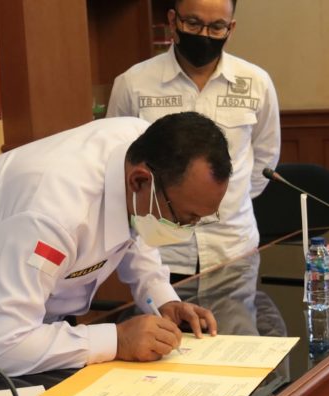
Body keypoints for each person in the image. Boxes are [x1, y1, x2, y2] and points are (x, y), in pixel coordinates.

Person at [0, 112, 230, 390]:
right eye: (184, 218)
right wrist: (118, 338)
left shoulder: (144, 147)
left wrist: (161, 298)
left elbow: (135, 226)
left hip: (27, 306)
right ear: (139, 181)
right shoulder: (52, 210)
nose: (187, 229)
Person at [106, 0, 280, 281]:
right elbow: (117, 159)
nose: (204, 35)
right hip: (160, 254)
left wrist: (224, 200)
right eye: (193, 23)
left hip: (233, 248)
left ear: (231, 28)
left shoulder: (256, 82)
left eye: (217, 27)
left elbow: (265, 158)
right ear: (172, 20)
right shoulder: (133, 83)